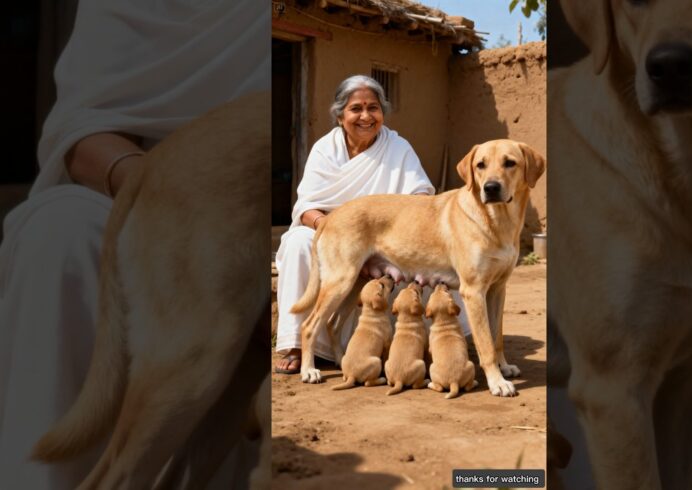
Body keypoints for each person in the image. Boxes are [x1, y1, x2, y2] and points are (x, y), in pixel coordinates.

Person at [0, 0, 269, 488]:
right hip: (148, 192)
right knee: (61, 232)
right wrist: (181, 198)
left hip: (264, 216)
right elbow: (83, 130)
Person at [274, 75, 470, 375]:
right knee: (298, 242)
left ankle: (431, 344)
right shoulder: (324, 149)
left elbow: (420, 199)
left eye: (373, 108)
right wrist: (346, 237)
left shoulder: (397, 147)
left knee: (439, 257)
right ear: (340, 115)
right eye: (356, 109)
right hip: (333, 233)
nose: (366, 116)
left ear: (383, 112)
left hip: (389, 239)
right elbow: (306, 208)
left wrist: (377, 243)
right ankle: (295, 344)